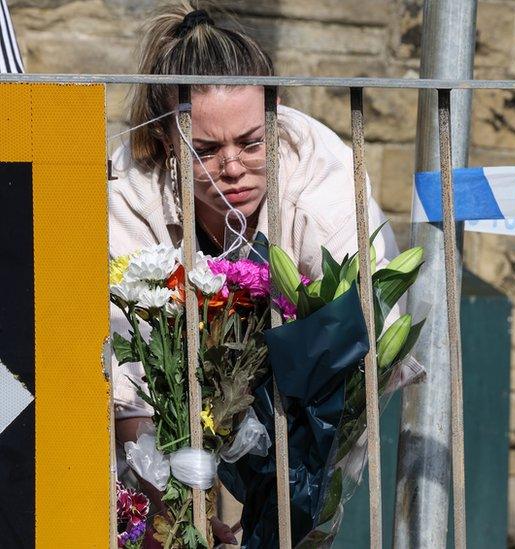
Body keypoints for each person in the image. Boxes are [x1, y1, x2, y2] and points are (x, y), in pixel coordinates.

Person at [109, 2, 398, 544]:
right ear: (170, 137)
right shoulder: (129, 190)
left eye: (251, 141)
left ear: (276, 111)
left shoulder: (324, 187)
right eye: (205, 150)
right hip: (173, 389)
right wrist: (170, 518)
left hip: (296, 391)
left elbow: (361, 360)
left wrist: (278, 521)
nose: (233, 168)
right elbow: (128, 379)